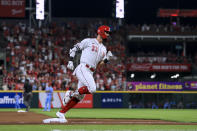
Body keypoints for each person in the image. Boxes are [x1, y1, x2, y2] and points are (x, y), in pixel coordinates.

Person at [56, 25, 113, 123]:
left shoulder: (104, 49)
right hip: (83, 68)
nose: (108, 34)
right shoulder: (89, 41)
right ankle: (70, 93)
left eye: (108, 33)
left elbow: (98, 64)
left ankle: (61, 113)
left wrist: (106, 60)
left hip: (90, 71)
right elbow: (75, 48)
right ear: (101, 31)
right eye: (107, 32)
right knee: (92, 88)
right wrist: (71, 61)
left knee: (80, 97)